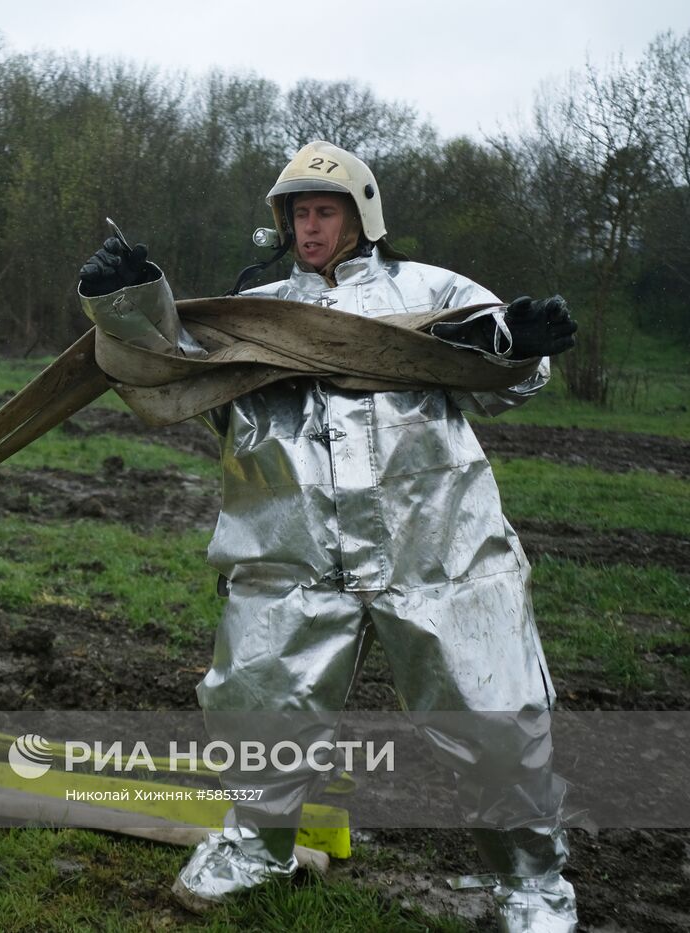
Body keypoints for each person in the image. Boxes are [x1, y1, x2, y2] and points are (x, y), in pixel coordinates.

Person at [77, 140, 578, 933]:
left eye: (324, 211)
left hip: (440, 551)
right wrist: (126, 300)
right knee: (258, 708)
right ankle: (255, 848)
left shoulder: (434, 290)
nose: (310, 228)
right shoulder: (257, 314)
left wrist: (515, 339)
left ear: (362, 214)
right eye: (299, 214)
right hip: (290, 552)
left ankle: (531, 882)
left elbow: (512, 379)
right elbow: (161, 372)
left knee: (495, 715)